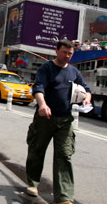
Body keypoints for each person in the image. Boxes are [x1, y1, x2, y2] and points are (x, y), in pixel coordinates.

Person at [25, 39, 91, 204]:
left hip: (65, 120)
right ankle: (33, 183)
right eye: (64, 52)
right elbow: (38, 87)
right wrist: (42, 105)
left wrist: (86, 99)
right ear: (56, 51)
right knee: (37, 150)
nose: (67, 56)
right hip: (45, 118)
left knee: (64, 155)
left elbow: (86, 90)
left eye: (70, 53)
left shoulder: (74, 72)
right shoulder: (47, 68)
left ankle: (64, 196)